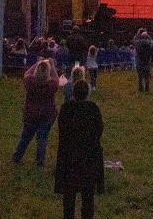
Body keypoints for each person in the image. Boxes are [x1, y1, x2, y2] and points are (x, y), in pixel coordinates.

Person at [55, 79, 104, 219]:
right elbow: (99, 130)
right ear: (87, 93)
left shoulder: (66, 109)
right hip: (88, 158)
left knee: (69, 197)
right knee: (88, 197)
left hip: (69, 158)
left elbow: (62, 130)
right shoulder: (93, 108)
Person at [13, 58, 60, 167]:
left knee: (25, 137)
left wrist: (37, 63)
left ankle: (17, 157)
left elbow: (26, 73)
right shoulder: (51, 85)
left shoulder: (30, 82)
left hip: (31, 114)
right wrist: (52, 66)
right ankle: (39, 161)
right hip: (46, 115)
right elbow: (57, 80)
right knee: (42, 139)